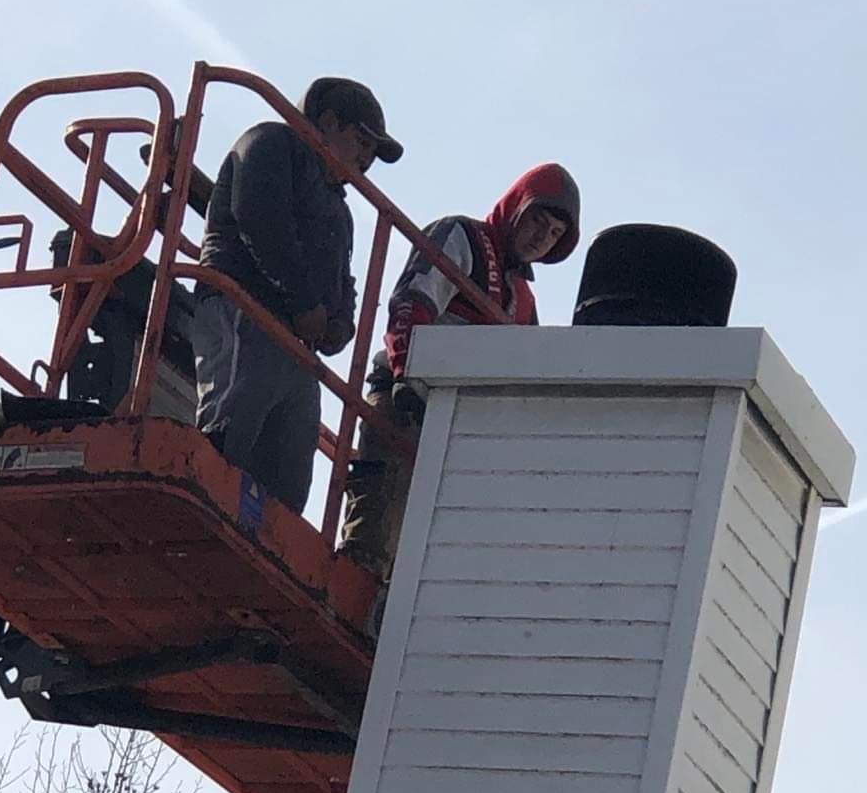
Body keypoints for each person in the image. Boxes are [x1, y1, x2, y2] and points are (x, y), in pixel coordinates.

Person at [340, 163, 580, 580]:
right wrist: (406, 377)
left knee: (432, 533)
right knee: (381, 503)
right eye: (537, 221)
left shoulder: (523, 300)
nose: (542, 237)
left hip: (461, 429)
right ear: (515, 208)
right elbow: (411, 303)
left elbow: (526, 382)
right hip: (407, 400)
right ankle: (355, 579)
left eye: (555, 233)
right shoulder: (462, 236)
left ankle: (387, 603)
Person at [193, 78, 403, 513]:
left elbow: (343, 279)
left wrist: (339, 325)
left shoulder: (340, 212)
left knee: (292, 457)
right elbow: (260, 221)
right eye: (361, 142)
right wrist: (305, 302)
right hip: (242, 306)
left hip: (296, 342)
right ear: (326, 122)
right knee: (234, 422)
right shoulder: (270, 142)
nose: (365, 159)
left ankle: (267, 535)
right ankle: (202, 501)